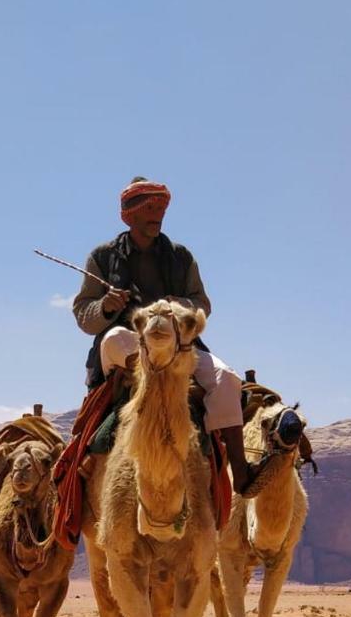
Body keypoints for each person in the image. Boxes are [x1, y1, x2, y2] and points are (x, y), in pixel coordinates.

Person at [71, 177, 258, 494]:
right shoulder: (102, 257)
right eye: (150, 208)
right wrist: (106, 305)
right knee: (115, 336)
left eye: (161, 207)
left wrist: (176, 306)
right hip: (127, 345)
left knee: (227, 379)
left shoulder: (180, 257)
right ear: (129, 215)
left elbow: (202, 305)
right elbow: (83, 314)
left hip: (179, 347)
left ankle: (239, 471)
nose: (157, 214)